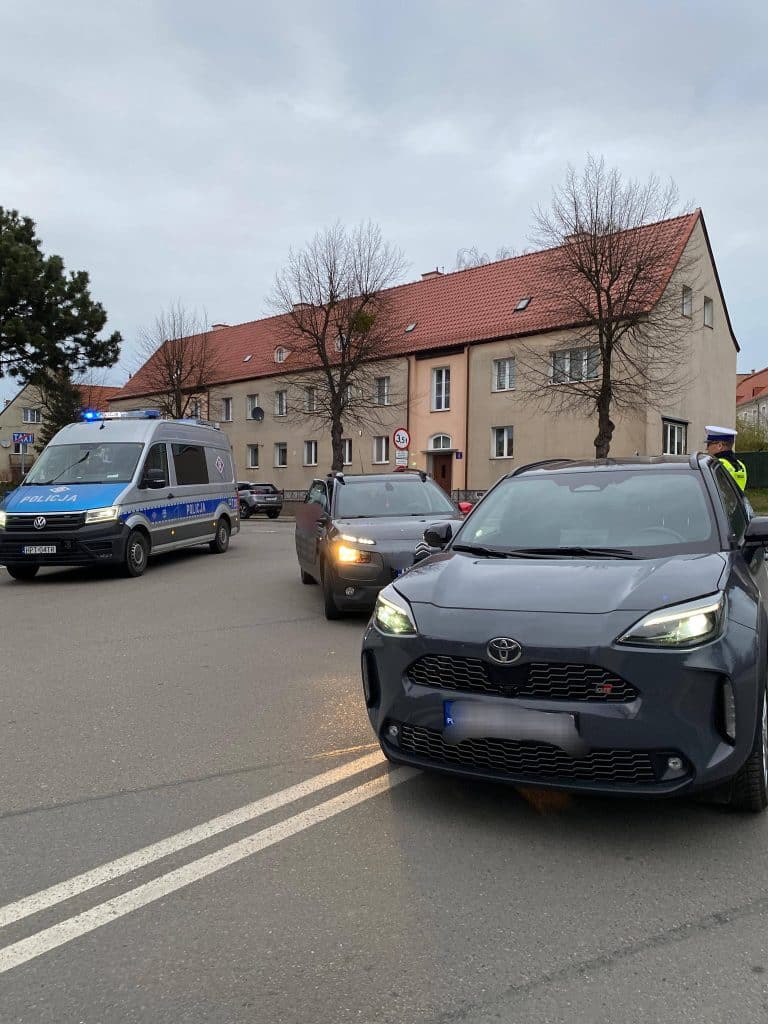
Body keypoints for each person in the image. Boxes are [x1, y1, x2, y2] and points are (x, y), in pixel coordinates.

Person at [704, 425, 747, 491]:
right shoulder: (741, 465)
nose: (707, 448)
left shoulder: (715, 465)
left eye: (708, 444)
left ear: (719, 446)